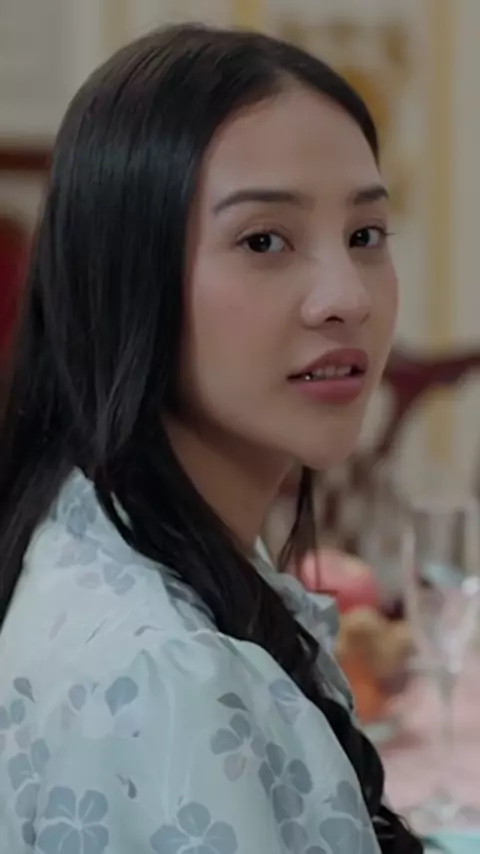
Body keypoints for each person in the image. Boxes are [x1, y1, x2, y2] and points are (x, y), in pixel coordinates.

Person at [0, 24, 421, 853]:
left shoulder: (112, 536)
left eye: (364, 236)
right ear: (127, 277)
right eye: (264, 240)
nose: (348, 298)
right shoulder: (163, 681)